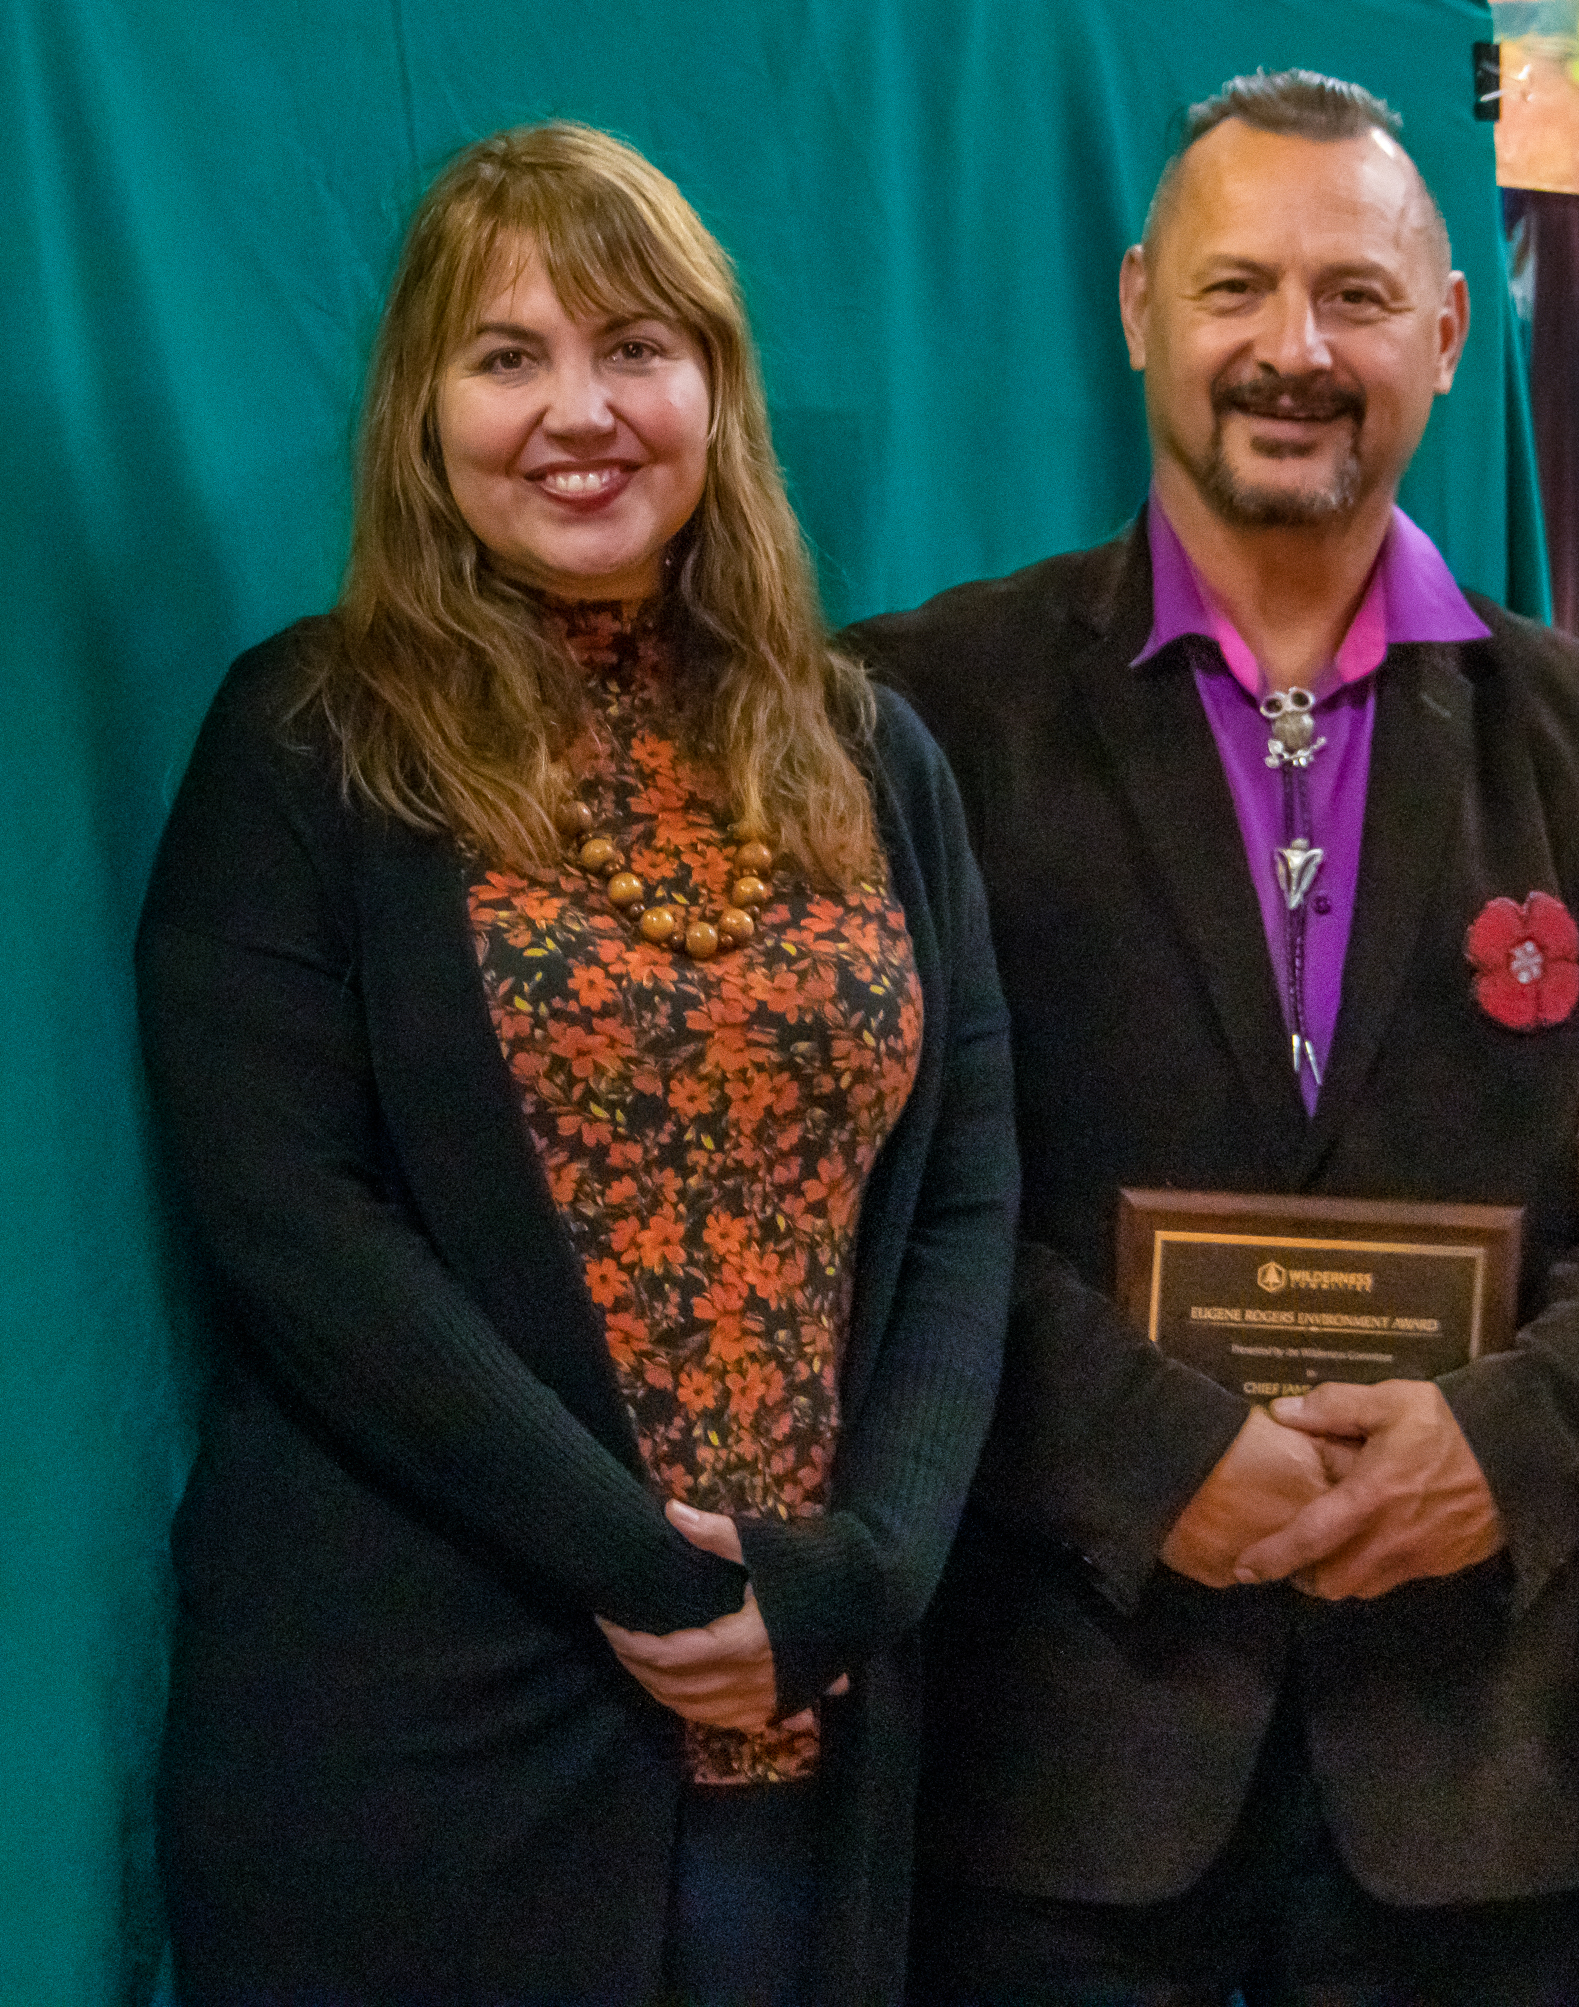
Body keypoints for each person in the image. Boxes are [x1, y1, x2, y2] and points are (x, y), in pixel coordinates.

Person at [842, 71, 1579, 2006]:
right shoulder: (922, 711)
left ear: (1449, 332)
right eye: (1235, 290)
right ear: (1134, 310)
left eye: (1356, 297)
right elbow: (873, 1189)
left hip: (1481, 1768)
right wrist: (1147, 1452)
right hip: (1061, 1759)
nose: (1295, 350)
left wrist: (1500, 1447)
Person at [136, 122, 1015, 2006]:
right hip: (416, 1726)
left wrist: (857, 1574)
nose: (578, 411)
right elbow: (294, 1226)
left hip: (809, 1720)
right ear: (421, 413)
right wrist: (658, 1570)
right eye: (506, 356)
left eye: (634, 346)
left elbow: (962, 1195)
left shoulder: (871, 751)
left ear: (715, 387)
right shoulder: (309, 740)